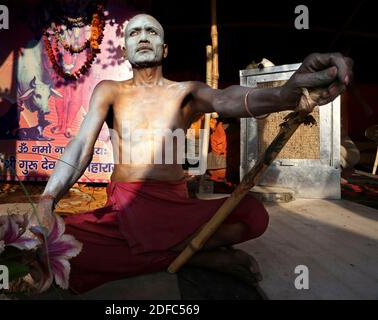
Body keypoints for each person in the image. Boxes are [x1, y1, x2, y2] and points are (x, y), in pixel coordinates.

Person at [35, 14, 353, 293]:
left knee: (254, 215)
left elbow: (227, 100)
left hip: (174, 205)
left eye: (152, 32)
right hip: (127, 208)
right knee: (50, 244)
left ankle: (166, 254)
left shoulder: (186, 91)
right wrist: (49, 198)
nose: (143, 37)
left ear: (165, 49)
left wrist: (284, 94)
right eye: (134, 33)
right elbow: (81, 144)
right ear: (124, 52)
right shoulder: (109, 90)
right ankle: (198, 256)